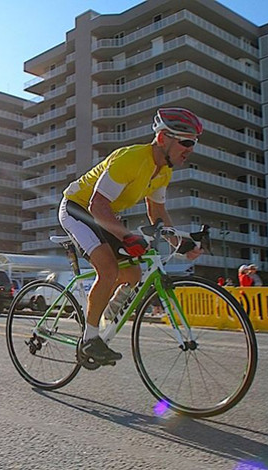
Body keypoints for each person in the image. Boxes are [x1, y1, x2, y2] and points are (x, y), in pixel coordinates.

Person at [59, 107, 204, 367]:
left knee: (134, 275)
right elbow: (97, 206)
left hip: (104, 213)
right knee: (108, 268)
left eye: (193, 144)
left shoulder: (164, 171)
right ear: (162, 139)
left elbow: (156, 211)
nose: (190, 149)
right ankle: (90, 339)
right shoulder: (131, 159)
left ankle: (103, 317)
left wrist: (180, 242)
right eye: (185, 142)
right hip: (77, 207)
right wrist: (127, 236)